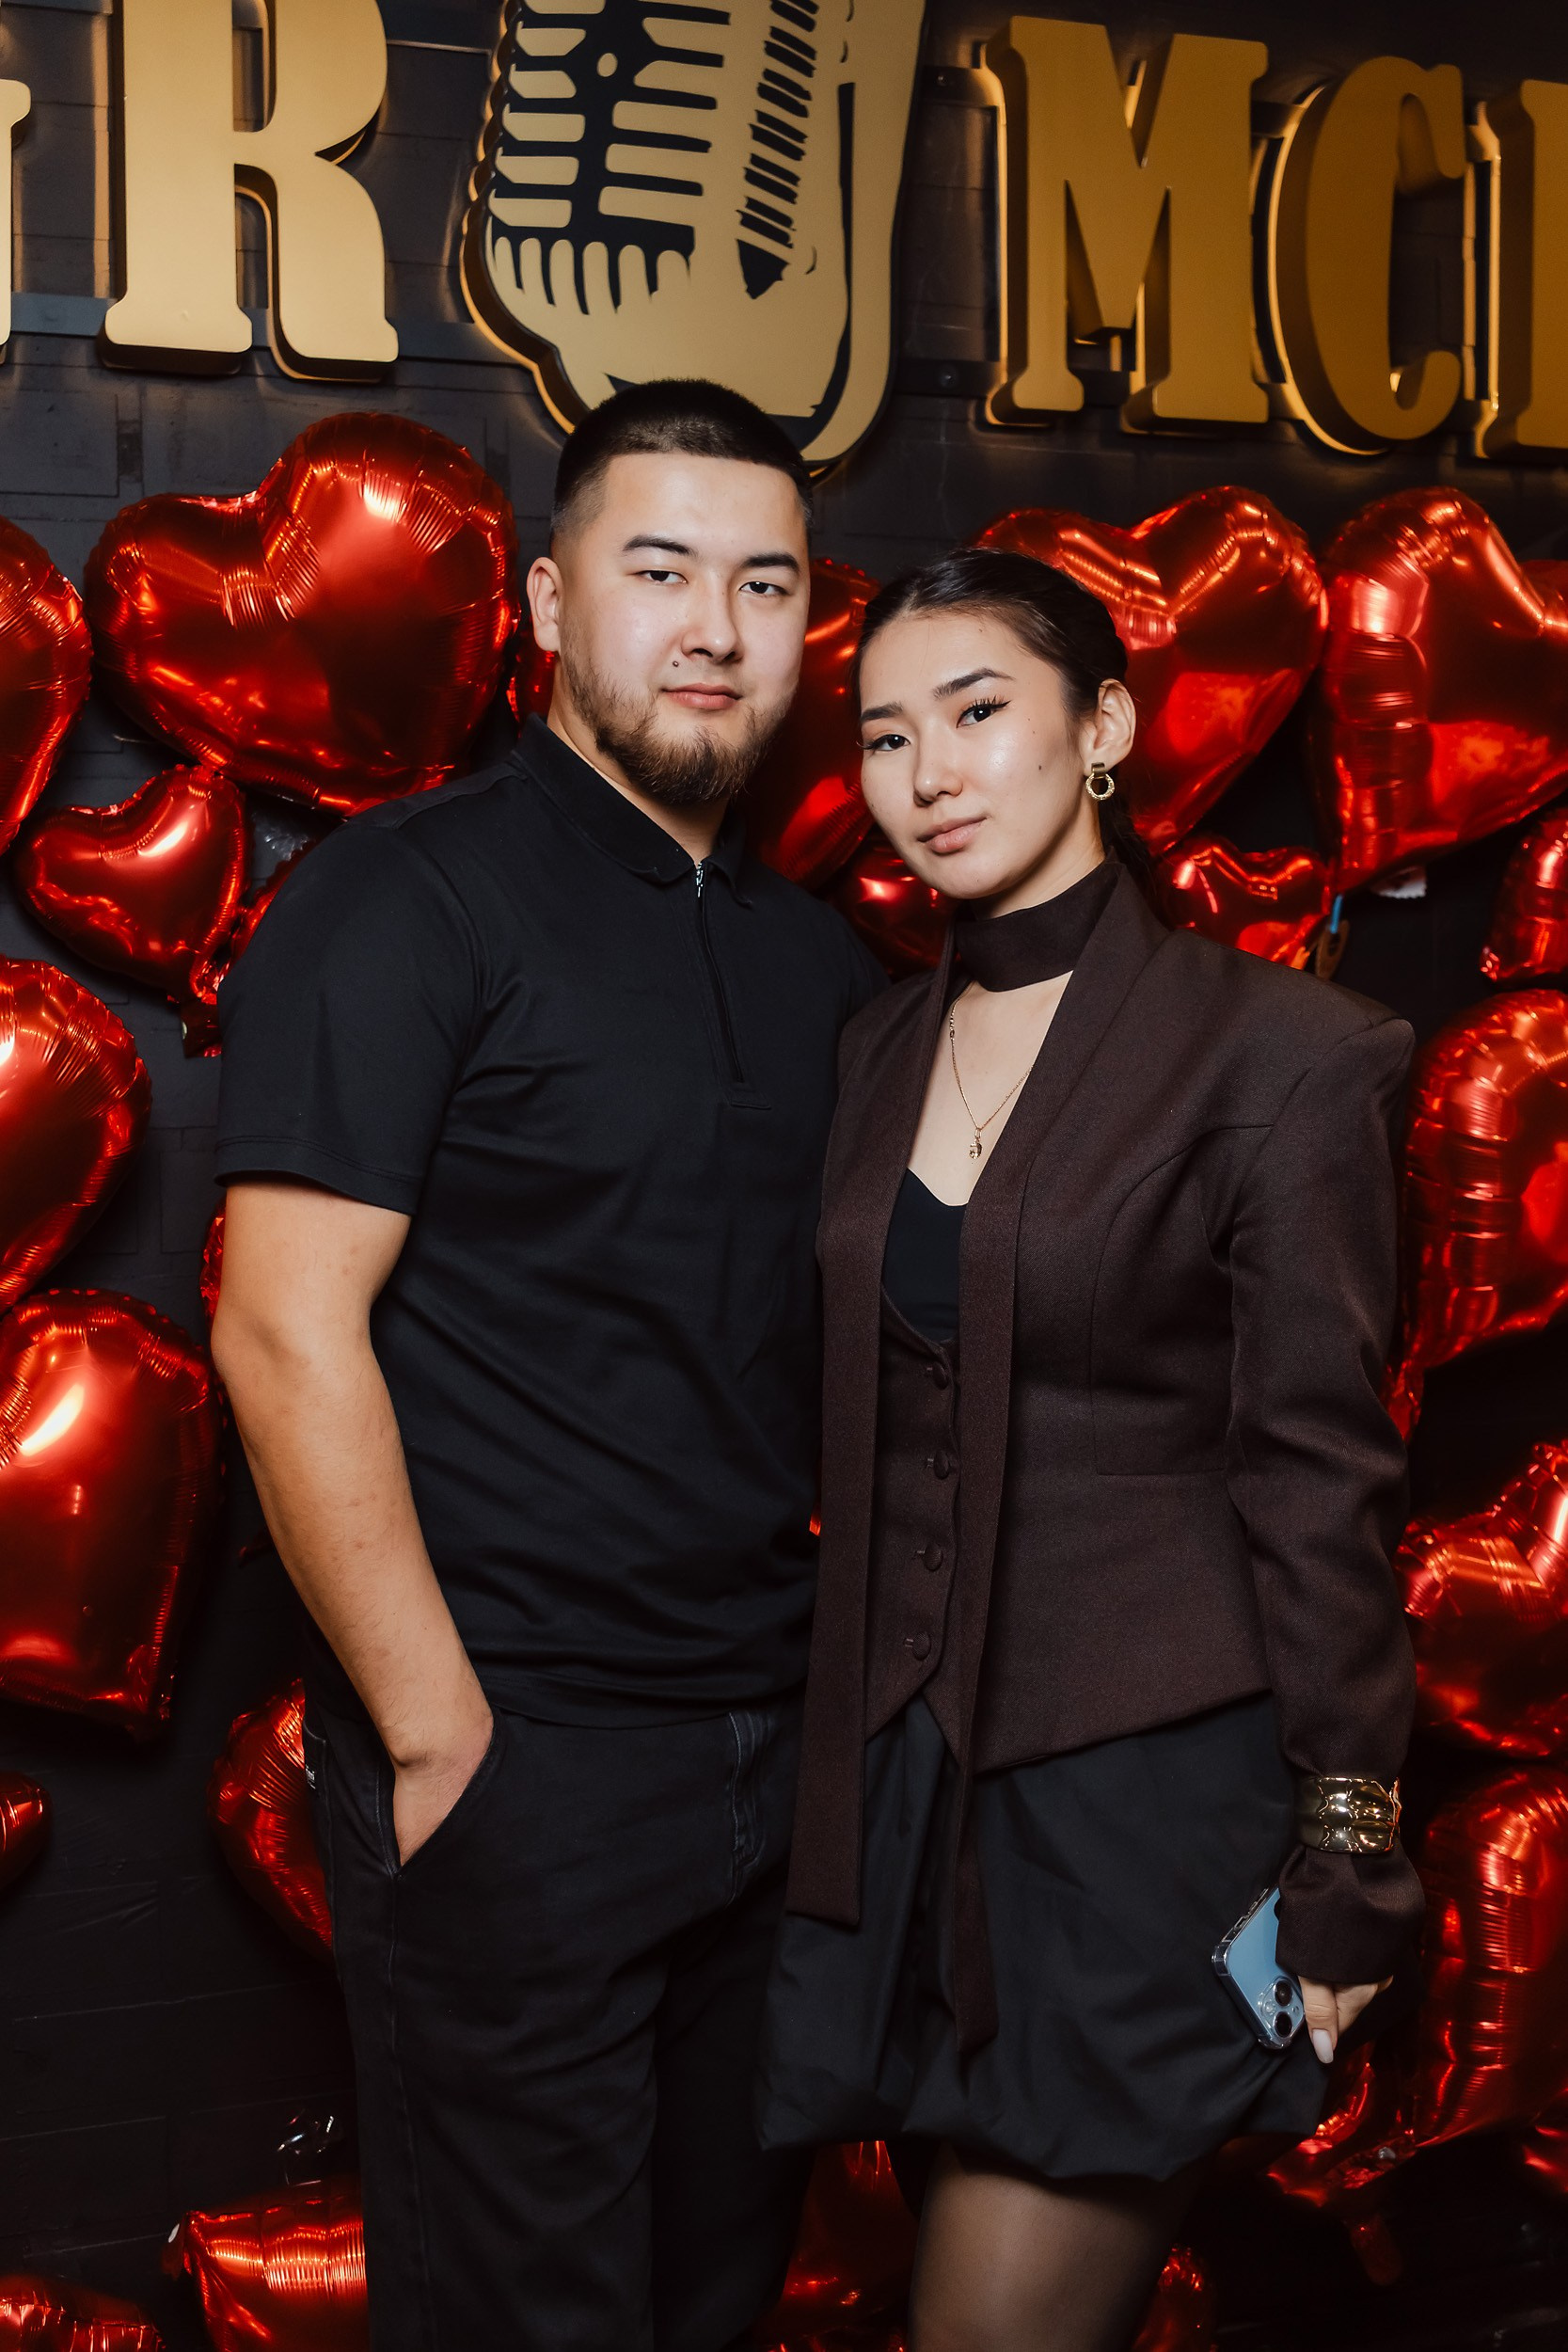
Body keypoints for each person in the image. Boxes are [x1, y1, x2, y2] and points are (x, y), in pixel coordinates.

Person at [210, 378, 884, 2352]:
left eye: (766, 583)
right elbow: (281, 1326)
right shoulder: (406, 897)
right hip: (527, 1761)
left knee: (713, 2303)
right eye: (658, 571)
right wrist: (440, 1738)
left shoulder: (823, 964)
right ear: (546, 601)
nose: (715, 628)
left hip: (774, 1762)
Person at [755, 548, 1426, 2352]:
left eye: (978, 713)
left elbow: (1321, 1475)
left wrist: (1350, 1853)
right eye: (886, 735)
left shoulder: (1286, 1056)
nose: (931, 775)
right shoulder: (875, 1047)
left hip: (1144, 1812)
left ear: (1106, 726)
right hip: (901, 1803)